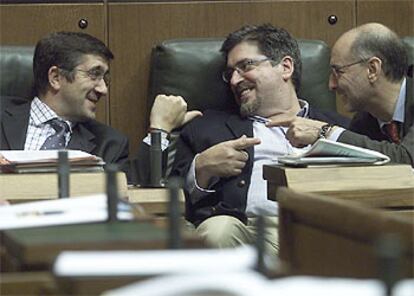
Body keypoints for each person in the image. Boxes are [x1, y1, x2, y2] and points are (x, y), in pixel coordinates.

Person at [172, 24, 349, 255]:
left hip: (322, 233)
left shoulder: (340, 128)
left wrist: (325, 134)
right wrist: (201, 169)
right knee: (218, 229)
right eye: (230, 73)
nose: (235, 80)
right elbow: (166, 197)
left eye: (246, 66)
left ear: (285, 67)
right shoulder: (206, 127)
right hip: (246, 233)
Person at [0, 32, 200, 181]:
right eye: (94, 74)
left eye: (105, 78)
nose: (103, 89)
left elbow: (134, 189)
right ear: (55, 77)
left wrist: (160, 129)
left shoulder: (109, 143)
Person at [267, 23, 413, 166]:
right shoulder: (365, 120)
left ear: (372, 69)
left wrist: (325, 132)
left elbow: (407, 162)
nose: (331, 85)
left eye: (338, 72)